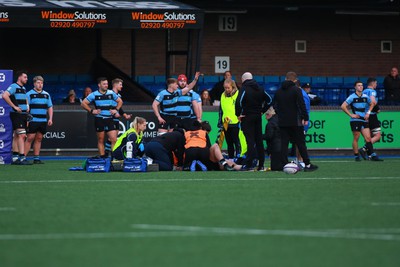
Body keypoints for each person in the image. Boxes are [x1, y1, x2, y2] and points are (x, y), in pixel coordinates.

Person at [273, 71, 318, 171]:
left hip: (283, 121)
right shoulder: (296, 90)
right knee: (301, 143)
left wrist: (280, 114)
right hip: (295, 121)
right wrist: (305, 118)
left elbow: (275, 105)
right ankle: (307, 164)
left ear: (285, 79)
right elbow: (302, 105)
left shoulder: (279, 91)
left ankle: (284, 164)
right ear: (295, 80)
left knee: (284, 144)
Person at [235, 72, 272, 171]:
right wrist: (263, 111)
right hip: (257, 117)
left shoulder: (244, 88)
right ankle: (261, 164)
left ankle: (249, 163)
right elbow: (270, 100)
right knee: (259, 140)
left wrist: (238, 114)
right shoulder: (260, 88)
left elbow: (239, 101)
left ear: (243, 80)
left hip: (247, 117)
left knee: (250, 140)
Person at [340, 80, 382, 161]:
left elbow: (372, 103)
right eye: (359, 85)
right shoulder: (352, 97)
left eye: (362, 85)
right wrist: (351, 115)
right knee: (356, 137)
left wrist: (368, 113)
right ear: (355, 87)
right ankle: (356, 156)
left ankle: (372, 155)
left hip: (364, 119)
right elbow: (343, 106)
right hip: (355, 120)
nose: (361, 87)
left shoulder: (365, 96)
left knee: (368, 138)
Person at [81, 77, 123, 157]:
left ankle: (114, 158)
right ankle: (103, 158)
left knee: (114, 139)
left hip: (110, 119)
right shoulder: (94, 94)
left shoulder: (111, 93)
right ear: (99, 85)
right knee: (101, 140)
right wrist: (92, 111)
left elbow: (120, 101)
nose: (106, 85)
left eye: (107, 84)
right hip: (99, 119)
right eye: (104, 84)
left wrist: (116, 109)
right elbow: (83, 103)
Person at [2, 70, 31, 165]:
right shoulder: (14, 86)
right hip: (16, 114)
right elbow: (4, 95)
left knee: (17, 135)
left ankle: (15, 158)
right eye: (25, 77)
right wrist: (14, 107)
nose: (26, 79)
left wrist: (27, 106)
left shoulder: (23, 88)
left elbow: (25, 98)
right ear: (19, 77)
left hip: (22, 114)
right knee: (22, 135)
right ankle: (22, 158)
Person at [24, 75, 53, 164]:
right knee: (30, 138)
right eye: (38, 83)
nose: (40, 85)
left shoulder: (46, 94)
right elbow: (26, 108)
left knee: (39, 138)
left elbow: (50, 107)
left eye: (41, 83)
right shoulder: (29, 94)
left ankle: (36, 158)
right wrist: (27, 120)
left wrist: (50, 118)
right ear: (34, 83)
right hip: (33, 120)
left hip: (43, 120)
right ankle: (23, 157)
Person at [105, 78, 132, 156]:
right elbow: (106, 106)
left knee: (112, 138)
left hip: (116, 119)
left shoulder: (119, 95)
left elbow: (119, 108)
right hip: (109, 118)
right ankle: (113, 156)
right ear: (115, 85)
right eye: (120, 84)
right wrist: (113, 113)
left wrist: (125, 115)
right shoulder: (109, 93)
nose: (122, 86)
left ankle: (106, 153)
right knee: (113, 139)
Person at [358, 77, 382, 159]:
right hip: (371, 115)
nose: (376, 85)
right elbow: (373, 102)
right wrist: (377, 109)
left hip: (364, 115)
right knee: (378, 136)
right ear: (373, 83)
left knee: (369, 136)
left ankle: (370, 154)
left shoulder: (363, 91)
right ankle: (364, 148)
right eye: (376, 83)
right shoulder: (372, 91)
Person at [218, 78, 241, 159]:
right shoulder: (222, 95)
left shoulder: (238, 94)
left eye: (228, 88)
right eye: (225, 88)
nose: (226, 89)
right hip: (226, 122)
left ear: (233, 87)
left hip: (235, 122)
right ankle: (231, 158)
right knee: (229, 142)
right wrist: (220, 121)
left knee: (236, 141)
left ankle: (238, 157)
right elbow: (221, 109)